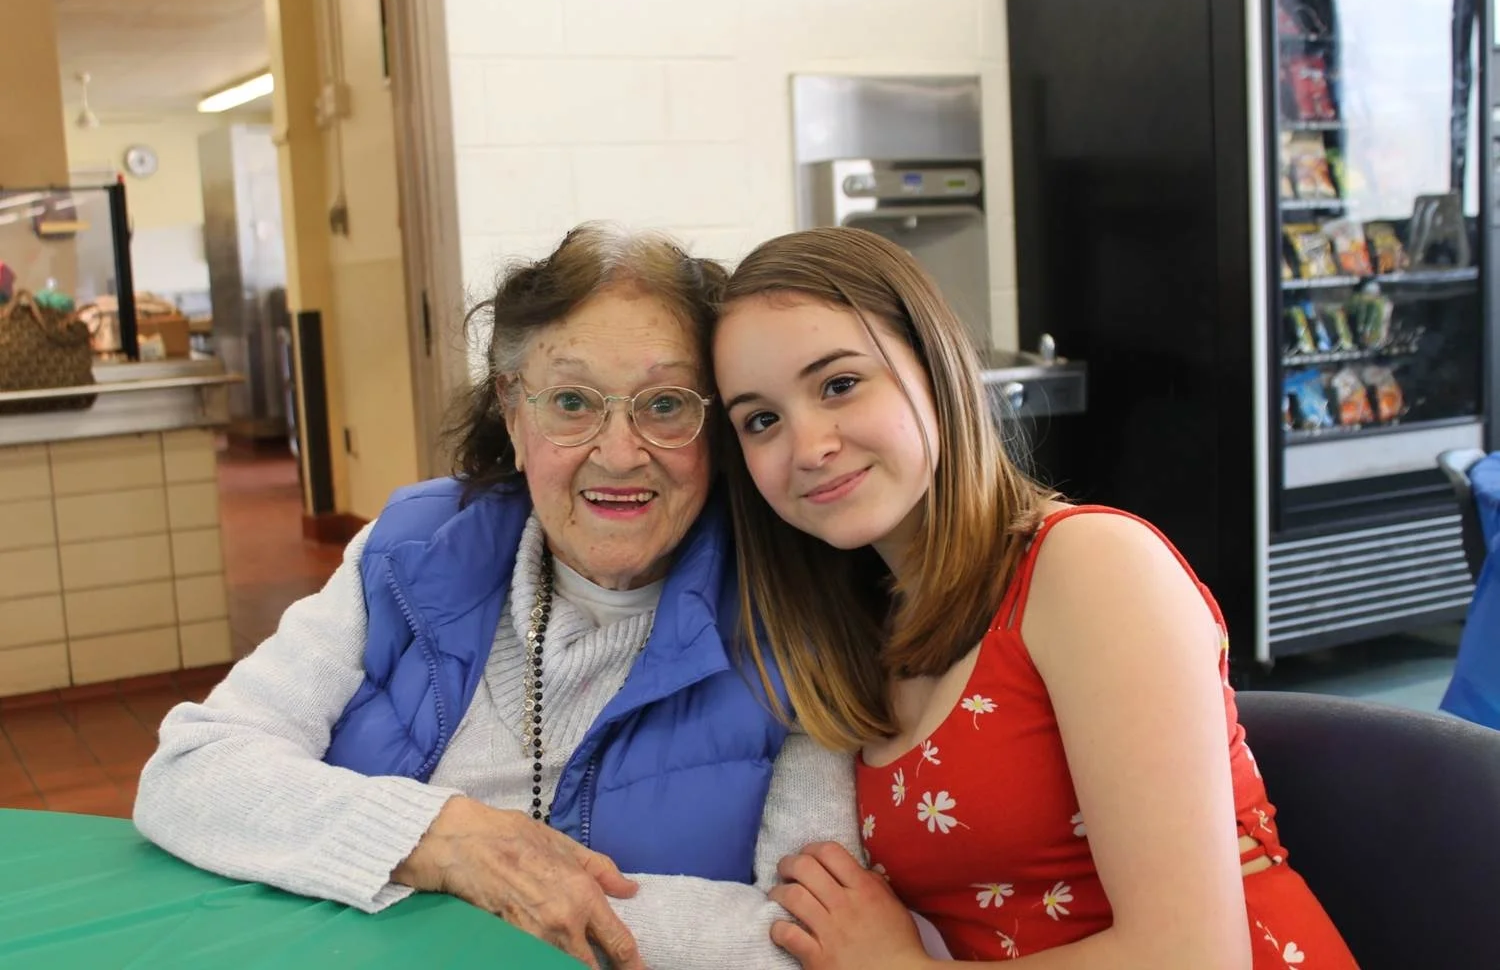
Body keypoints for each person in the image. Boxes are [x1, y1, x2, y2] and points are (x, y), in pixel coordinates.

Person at [133, 224, 861, 970]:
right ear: (514, 415)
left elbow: (805, 942)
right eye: (571, 401)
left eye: (666, 404)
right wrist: (442, 841)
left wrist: (524, 900)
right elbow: (189, 770)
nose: (619, 453)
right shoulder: (412, 551)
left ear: (717, 427)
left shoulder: (795, 614)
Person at [710, 226, 1358, 970]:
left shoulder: (1089, 566)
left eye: (839, 384)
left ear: (936, 369)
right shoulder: (868, 624)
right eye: (761, 420)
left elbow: (1194, 957)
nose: (808, 446)